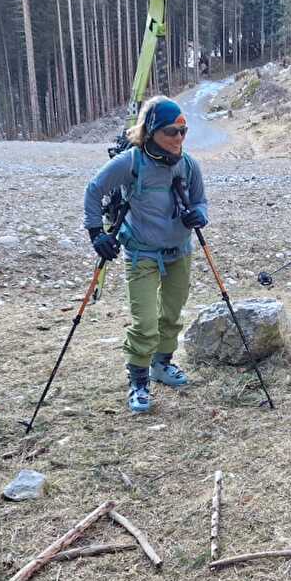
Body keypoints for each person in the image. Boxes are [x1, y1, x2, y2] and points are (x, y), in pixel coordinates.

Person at [82, 96, 208, 415]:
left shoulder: (189, 165)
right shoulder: (132, 162)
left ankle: (161, 364)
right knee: (146, 322)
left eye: (183, 131)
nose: (179, 138)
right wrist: (96, 233)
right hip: (141, 254)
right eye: (171, 132)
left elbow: (201, 201)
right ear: (151, 132)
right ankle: (138, 381)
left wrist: (199, 216)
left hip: (180, 251)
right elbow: (94, 191)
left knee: (172, 314)